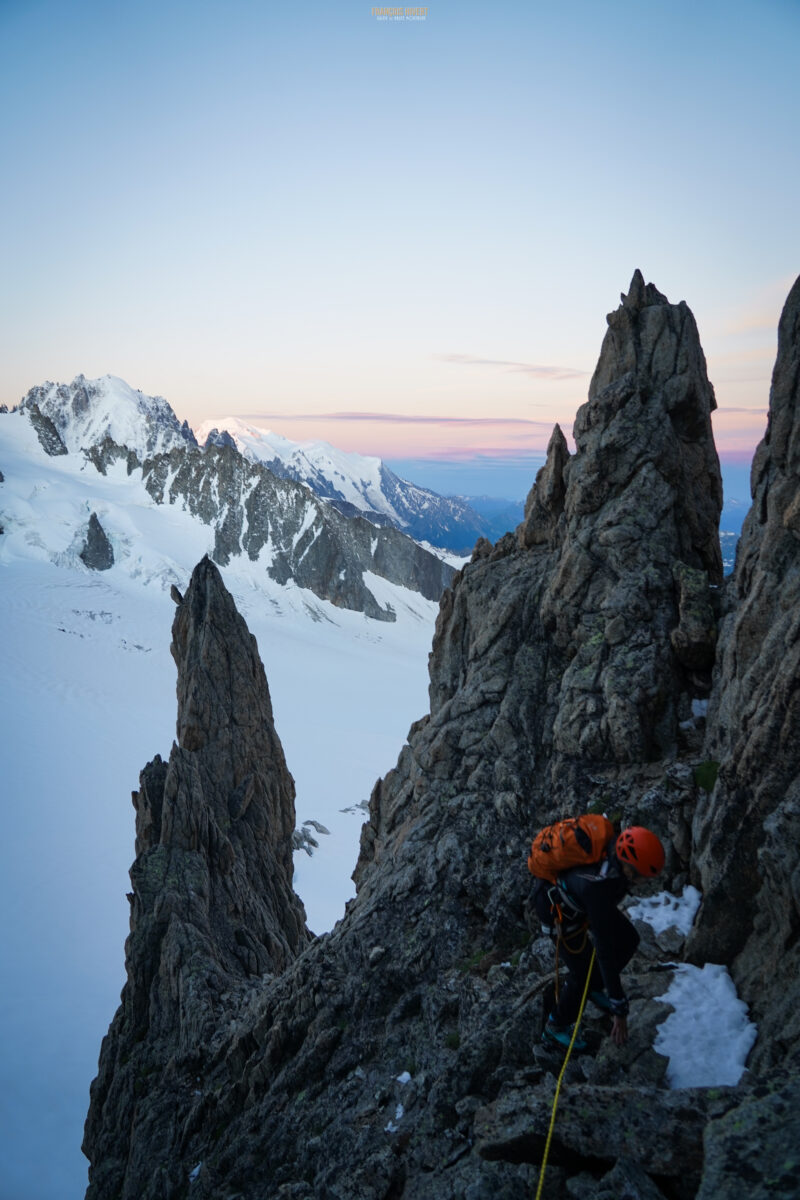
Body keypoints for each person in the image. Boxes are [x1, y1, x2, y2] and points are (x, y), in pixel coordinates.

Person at [534, 825, 665, 1051]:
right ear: (631, 870)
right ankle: (555, 1028)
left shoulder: (613, 852)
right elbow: (603, 948)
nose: (645, 882)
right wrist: (619, 1006)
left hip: (580, 902)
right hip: (557, 912)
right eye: (644, 878)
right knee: (581, 974)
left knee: (628, 939)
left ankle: (595, 986)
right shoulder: (598, 887)